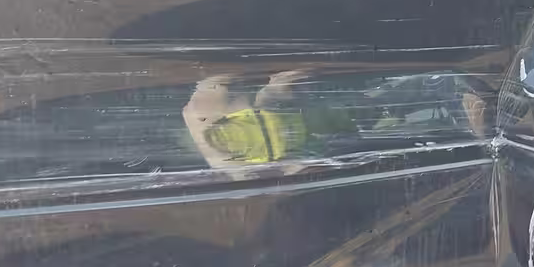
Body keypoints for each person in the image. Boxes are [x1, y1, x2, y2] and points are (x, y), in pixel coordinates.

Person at [182, 71, 492, 175]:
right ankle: (456, 118)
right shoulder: (203, 108)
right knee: (375, 116)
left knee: (375, 110)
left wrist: (273, 93)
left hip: (319, 128)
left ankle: (452, 110)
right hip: (319, 136)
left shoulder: (206, 103)